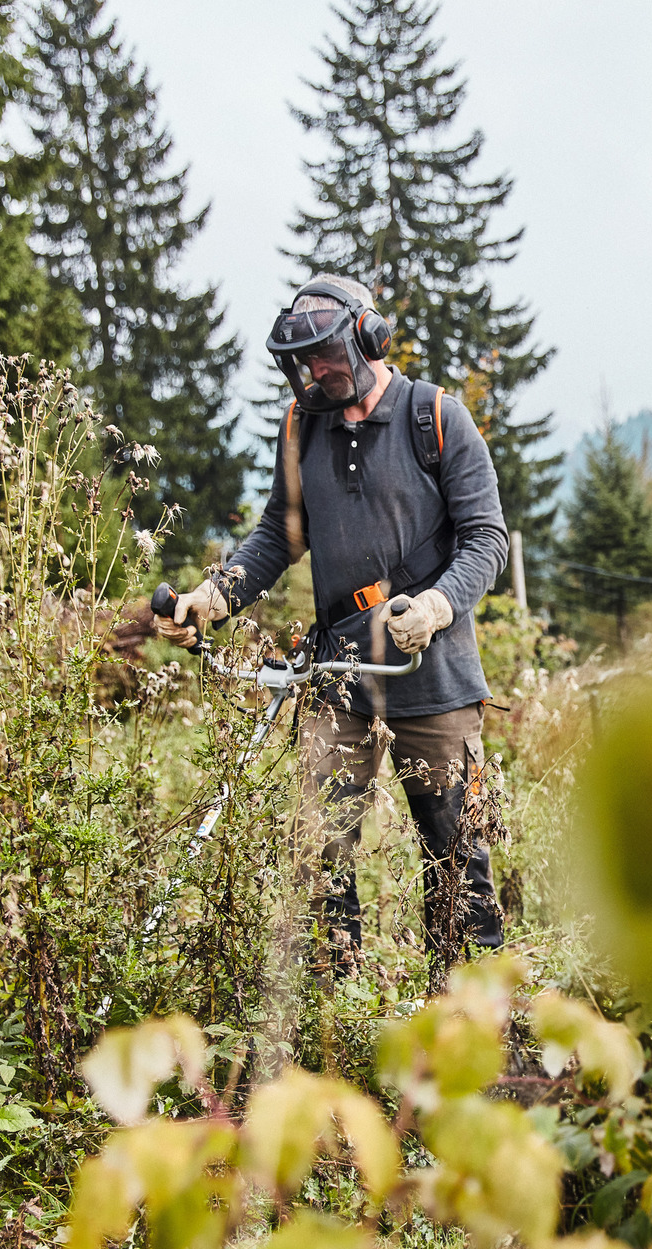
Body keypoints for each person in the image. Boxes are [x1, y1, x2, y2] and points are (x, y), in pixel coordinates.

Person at [152, 274, 509, 971]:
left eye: (324, 356)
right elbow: (278, 536)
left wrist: (437, 606)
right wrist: (215, 596)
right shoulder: (302, 425)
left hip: (431, 678)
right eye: (302, 362)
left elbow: (486, 539)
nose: (313, 373)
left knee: (456, 857)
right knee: (321, 853)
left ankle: (477, 1021)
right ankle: (329, 1007)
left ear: (367, 339)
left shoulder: (435, 417)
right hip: (340, 676)